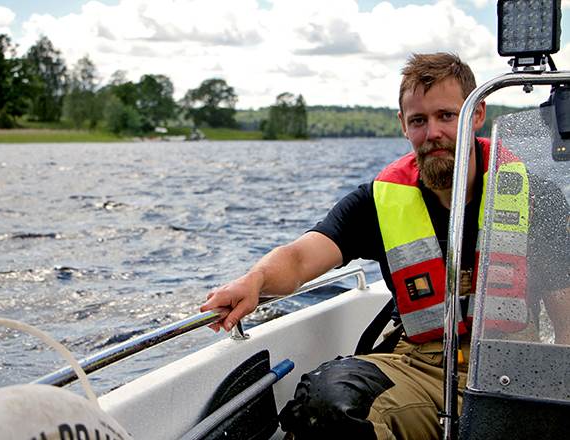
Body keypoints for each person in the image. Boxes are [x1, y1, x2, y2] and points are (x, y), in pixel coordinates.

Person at [201, 53, 570, 439]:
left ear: (477, 115)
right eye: (418, 121)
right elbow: (300, 256)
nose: (433, 133)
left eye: (447, 116)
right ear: (403, 125)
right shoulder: (377, 200)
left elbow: (566, 322)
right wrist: (254, 280)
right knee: (327, 404)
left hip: (511, 372)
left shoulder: (535, 198)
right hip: (418, 369)